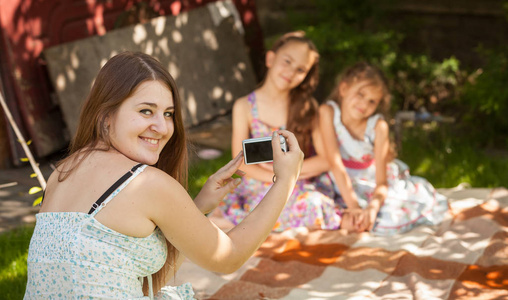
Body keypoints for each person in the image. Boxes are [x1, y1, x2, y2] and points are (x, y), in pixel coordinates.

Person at [24, 51, 304, 299]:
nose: (162, 127)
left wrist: (199, 206)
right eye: (146, 111)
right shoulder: (145, 183)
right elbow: (228, 257)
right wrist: (286, 181)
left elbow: (118, 279)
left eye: (168, 113)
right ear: (106, 115)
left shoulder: (62, 172)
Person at [219, 31, 343, 232]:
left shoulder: (306, 107)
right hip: (259, 183)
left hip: (294, 183)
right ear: (270, 58)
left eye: (301, 69)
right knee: (258, 206)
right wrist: (273, 177)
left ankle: (264, 226)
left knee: (312, 203)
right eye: (287, 61)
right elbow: (239, 160)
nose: (291, 72)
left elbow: (326, 160)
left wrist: (287, 175)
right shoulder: (244, 106)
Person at [319, 61, 449, 236]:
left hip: (370, 183)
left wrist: (372, 208)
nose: (364, 104)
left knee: (386, 217)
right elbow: (335, 163)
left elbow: (381, 182)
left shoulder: (378, 127)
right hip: (339, 180)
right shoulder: (327, 112)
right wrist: (354, 207)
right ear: (343, 89)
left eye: (372, 101)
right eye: (360, 94)